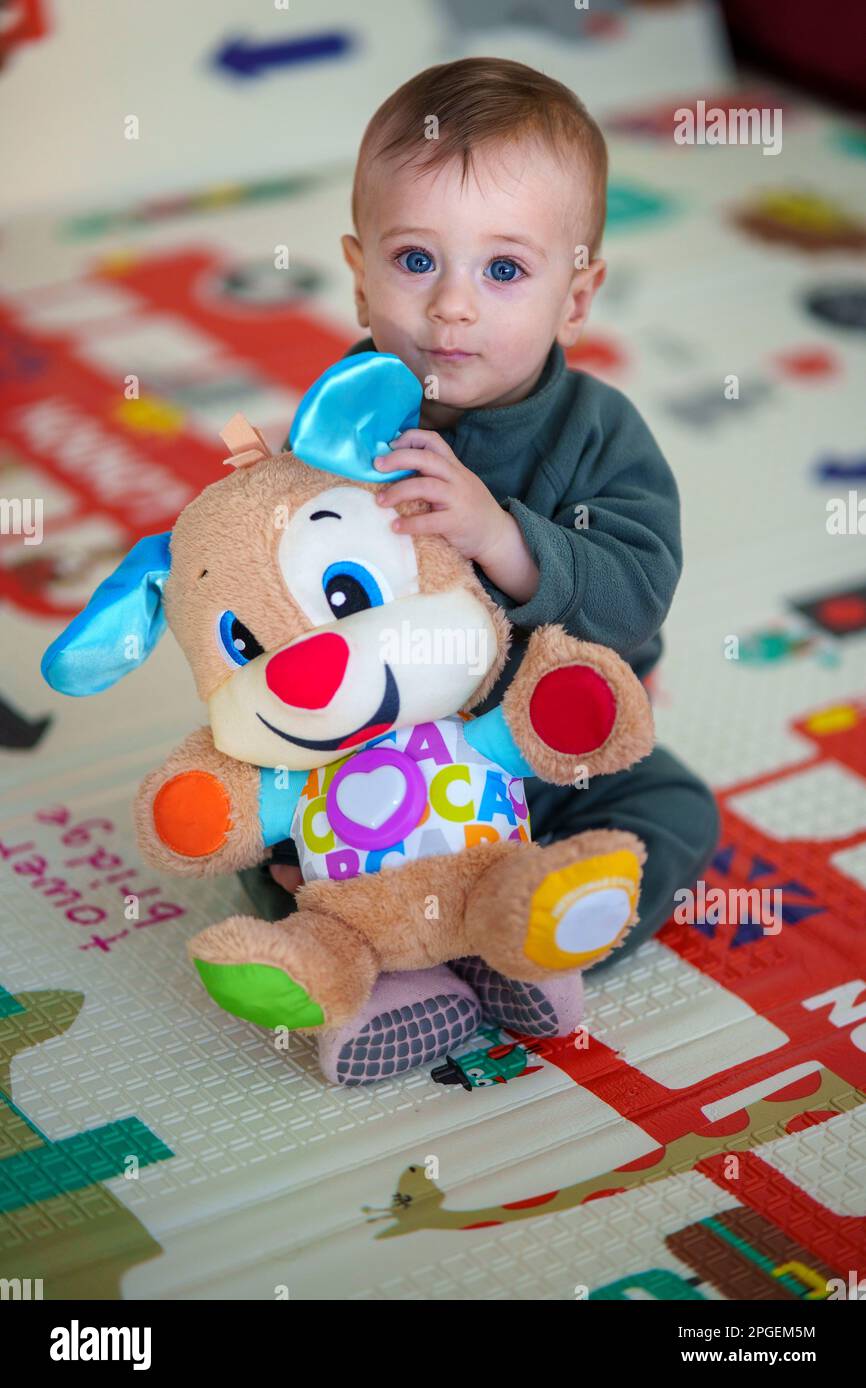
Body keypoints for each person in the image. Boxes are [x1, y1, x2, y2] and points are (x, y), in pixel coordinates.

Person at [240, 56, 720, 1085]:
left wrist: (502, 538)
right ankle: (363, 956)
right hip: (375, 773)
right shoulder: (343, 422)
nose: (450, 307)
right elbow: (279, 584)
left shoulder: (600, 438)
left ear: (575, 293)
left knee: (673, 812)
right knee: (249, 820)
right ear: (358, 268)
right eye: (416, 261)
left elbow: (633, 598)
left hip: (538, 760)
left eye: (502, 271)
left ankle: (531, 935)